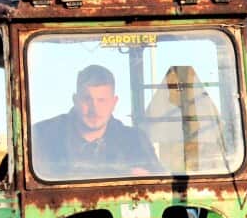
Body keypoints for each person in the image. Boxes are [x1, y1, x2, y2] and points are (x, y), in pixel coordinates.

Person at [32, 64, 162, 178]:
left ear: (114, 102)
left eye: (102, 100)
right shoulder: (41, 137)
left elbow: (160, 187)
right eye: (87, 99)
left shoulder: (135, 142)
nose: (94, 108)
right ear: (75, 100)